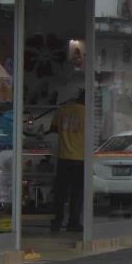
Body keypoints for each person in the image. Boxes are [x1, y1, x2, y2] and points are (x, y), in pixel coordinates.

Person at [50, 91, 85, 233]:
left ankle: (57, 221)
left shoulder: (62, 109)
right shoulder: (86, 112)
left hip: (63, 156)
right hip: (80, 157)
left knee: (60, 192)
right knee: (77, 193)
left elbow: (53, 129)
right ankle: (73, 223)